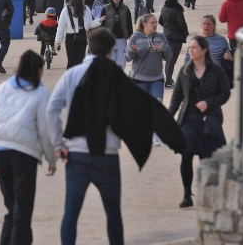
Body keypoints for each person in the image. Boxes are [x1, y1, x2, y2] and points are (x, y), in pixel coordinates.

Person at [46, 29, 185, 245]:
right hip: (107, 155)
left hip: (77, 154)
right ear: (112, 51)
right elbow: (148, 108)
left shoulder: (72, 74)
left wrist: (58, 144)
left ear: (88, 48)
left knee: (71, 213)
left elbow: (52, 109)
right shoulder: (117, 76)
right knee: (113, 213)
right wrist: (177, 141)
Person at [0, 50, 58, 245]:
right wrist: (51, 159)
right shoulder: (40, 92)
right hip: (23, 156)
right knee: (23, 213)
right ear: (38, 71)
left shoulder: (2, 88)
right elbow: (45, 129)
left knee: (12, 208)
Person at [168, 35, 231, 208]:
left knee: (207, 160)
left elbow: (225, 94)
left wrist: (208, 103)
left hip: (209, 120)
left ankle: (207, 193)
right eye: (189, 48)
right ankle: (187, 194)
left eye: (194, 47)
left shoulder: (216, 70)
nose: (191, 50)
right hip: (188, 120)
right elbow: (176, 98)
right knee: (186, 156)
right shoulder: (184, 71)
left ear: (204, 50)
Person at [125, 14, 173, 146]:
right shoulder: (135, 37)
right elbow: (128, 58)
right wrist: (131, 50)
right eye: (152, 23)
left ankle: (155, 134)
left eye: (156, 22)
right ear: (144, 24)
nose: (155, 25)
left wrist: (164, 48)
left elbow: (169, 58)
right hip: (139, 79)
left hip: (157, 78)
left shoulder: (161, 37)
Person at [54, 0, 101, 69]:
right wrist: (57, 41)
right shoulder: (66, 10)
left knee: (80, 60)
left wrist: (99, 20)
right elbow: (61, 27)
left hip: (82, 36)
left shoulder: (87, 9)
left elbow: (89, 24)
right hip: (70, 37)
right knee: (71, 61)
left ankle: (78, 79)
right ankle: (70, 79)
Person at [158, 0, 189, 88]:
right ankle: (168, 81)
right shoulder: (177, 10)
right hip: (176, 37)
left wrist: (167, 27)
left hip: (166, 36)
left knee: (168, 59)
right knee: (172, 60)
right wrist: (185, 34)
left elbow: (160, 21)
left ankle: (168, 79)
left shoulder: (164, 7)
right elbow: (182, 25)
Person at [102, 0, 133, 68]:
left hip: (121, 38)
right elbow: (102, 24)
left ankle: (119, 79)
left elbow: (129, 24)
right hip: (109, 39)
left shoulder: (125, 9)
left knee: (121, 63)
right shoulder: (105, 8)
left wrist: (131, 37)